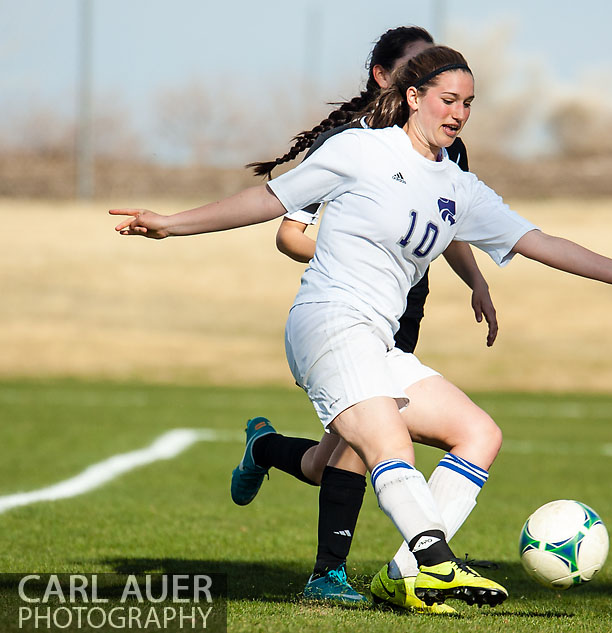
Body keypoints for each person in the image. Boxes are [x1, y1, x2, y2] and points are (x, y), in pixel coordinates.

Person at [110, 45, 612, 611]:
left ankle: (403, 576)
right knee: (388, 443)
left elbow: (537, 241)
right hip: (328, 323)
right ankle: (436, 559)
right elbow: (269, 201)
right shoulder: (360, 151)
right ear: (413, 97)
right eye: (446, 98)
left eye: (468, 102)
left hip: (377, 342)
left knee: (478, 434)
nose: (458, 112)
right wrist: (171, 224)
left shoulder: (458, 187)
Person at [229, 27, 502, 612]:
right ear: (387, 78)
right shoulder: (346, 143)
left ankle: (265, 448)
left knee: (326, 459)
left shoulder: (445, 145)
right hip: (348, 308)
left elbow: (443, 215)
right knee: (371, 442)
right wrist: (363, 243)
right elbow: (289, 232)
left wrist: (475, 278)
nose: (450, 106)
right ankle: (339, 572)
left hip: (402, 310)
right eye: (415, 71)